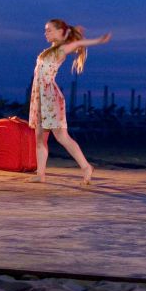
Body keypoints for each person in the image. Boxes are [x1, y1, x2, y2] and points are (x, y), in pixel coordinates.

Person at [29, 19, 111, 186]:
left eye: (50, 30)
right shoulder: (49, 50)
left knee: (62, 137)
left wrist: (98, 40)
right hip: (39, 97)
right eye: (45, 30)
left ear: (60, 32)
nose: (46, 33)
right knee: (39, 138)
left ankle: (86, 167)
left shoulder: (61, 49)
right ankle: (41, 174)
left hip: (50, 98)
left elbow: (79, 43)